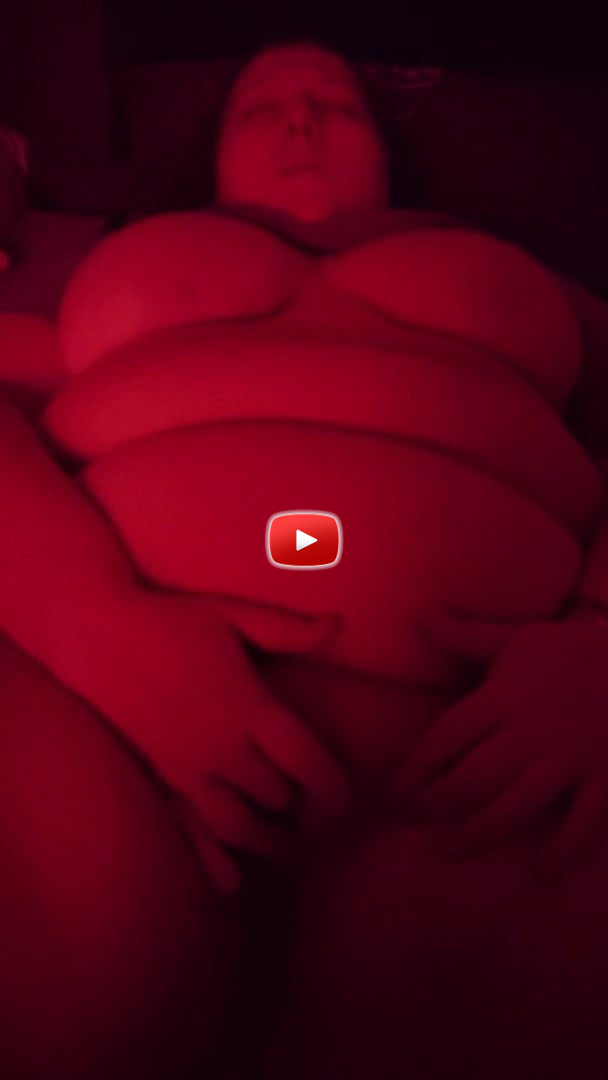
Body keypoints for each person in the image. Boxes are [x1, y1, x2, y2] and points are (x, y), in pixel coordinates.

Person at [3, 30, 608, 1080]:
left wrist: (602, 640)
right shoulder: (109, 262)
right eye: (260, 105)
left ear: (387, 148)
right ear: (208, 156)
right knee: (66, 1007)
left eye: (337, 104)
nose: (300, 118)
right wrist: (86, 619)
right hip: (104, 705)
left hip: (473, 748)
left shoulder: (531, 279)